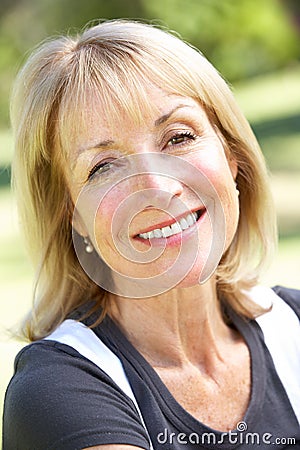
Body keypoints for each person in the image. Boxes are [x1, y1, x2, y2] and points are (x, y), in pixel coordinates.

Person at [2, 19, 300, 450]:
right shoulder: (56, 393)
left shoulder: (293, 327)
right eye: (103, 166)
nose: (159, 188)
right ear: (73, 214)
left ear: (231, 155)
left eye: (178, 137)